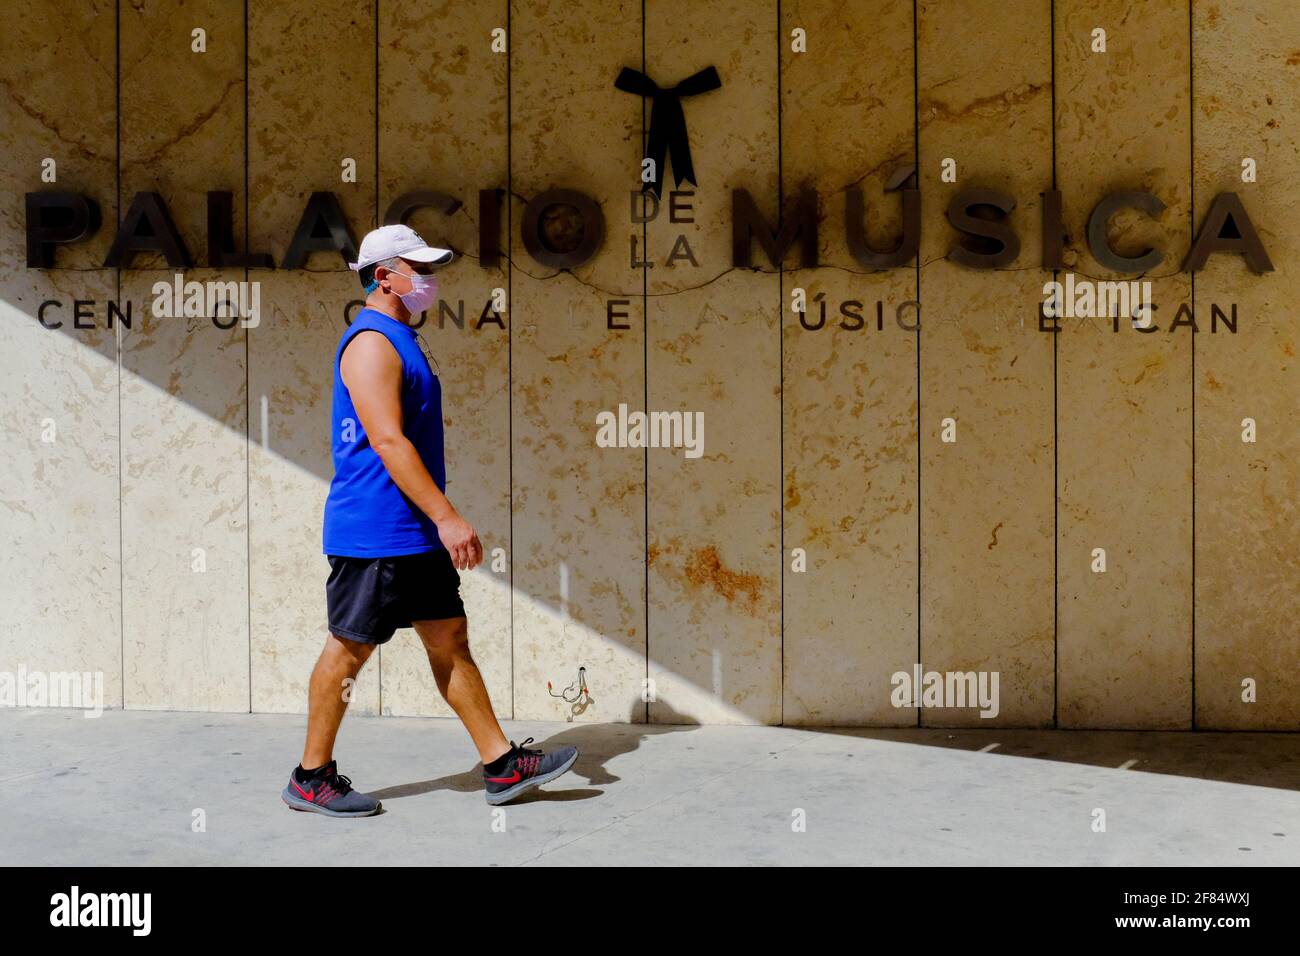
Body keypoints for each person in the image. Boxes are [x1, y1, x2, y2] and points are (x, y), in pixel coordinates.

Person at [281, 224, 578, 818]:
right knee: (349, 650)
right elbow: (387, 441)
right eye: (417, 268)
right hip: (376, 531)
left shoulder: (400, 336)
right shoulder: (370, 342)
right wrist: (447, 517)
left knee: (448, 637)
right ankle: (310, 776)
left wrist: (433, 520)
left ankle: (500, 765)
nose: (429, 280)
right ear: (384, 275)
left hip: (411, 530)